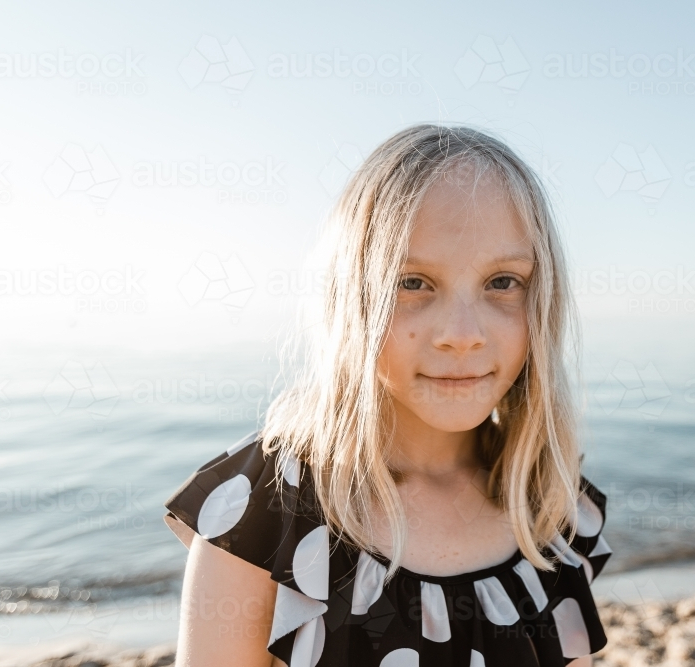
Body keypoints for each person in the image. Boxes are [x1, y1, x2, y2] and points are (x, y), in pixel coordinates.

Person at [163, 124, 612, 666]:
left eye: (502, 282)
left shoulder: (549, 505)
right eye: (413, 282)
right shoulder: (262, 514)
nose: (462, 333)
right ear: (352, 295)